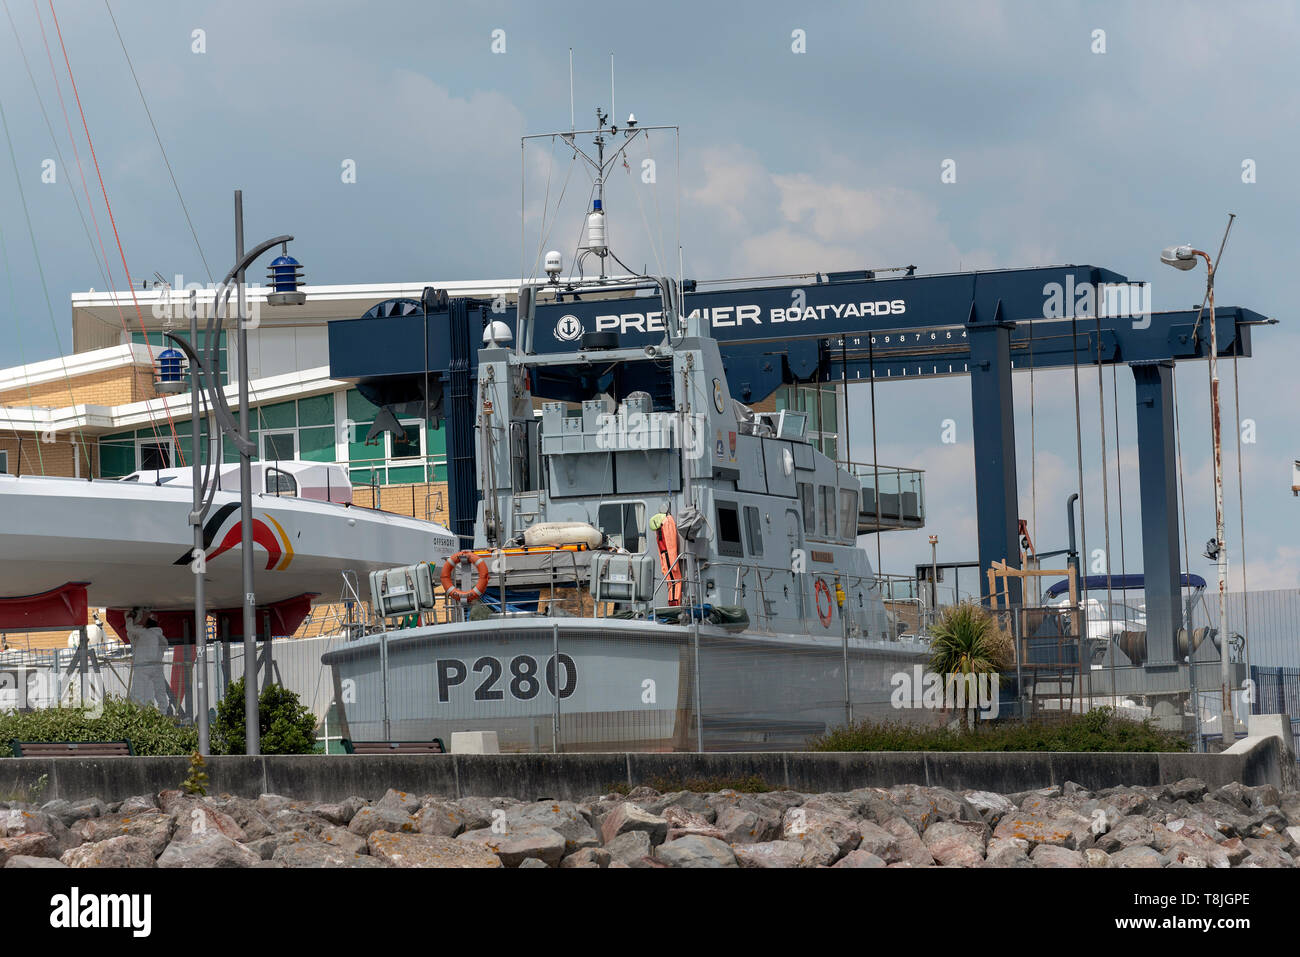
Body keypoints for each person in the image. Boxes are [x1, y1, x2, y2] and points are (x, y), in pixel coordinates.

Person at [125, 608, 171, 713]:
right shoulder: (161, 637)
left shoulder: (144, 633)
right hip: (157, 668)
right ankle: (163, 714)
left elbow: (130, 630)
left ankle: (140, 716)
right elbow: (163, 647)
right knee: (160, 693)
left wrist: (129, 617)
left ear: (146, 625)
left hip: (142, 668)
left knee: (139, 694)